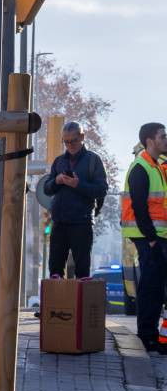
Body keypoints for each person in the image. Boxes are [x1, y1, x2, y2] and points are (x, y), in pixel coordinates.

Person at [121, 122, 167, 353]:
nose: (165, 139)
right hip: (148, 237)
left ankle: (153, 337)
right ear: (150, 140)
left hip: (157, 235)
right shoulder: (141, 167)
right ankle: (146, 337)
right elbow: (139, 206)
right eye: (162, 136)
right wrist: (150, 238)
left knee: (157, 287)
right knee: (151, 287)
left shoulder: (156, 165)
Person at [42, 121, 108, 278]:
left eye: (73, 140)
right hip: (59, 223)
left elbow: (102, 190)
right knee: (55, 271)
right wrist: (56, 181)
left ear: (82, 137)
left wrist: (78, 185)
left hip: (82, 223)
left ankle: (80, 301)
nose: (70, 145)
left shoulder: (93, 160)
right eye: (66, 142)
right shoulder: (59, 161)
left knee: (82, 272)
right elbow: (46, 188)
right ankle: (57, 301)